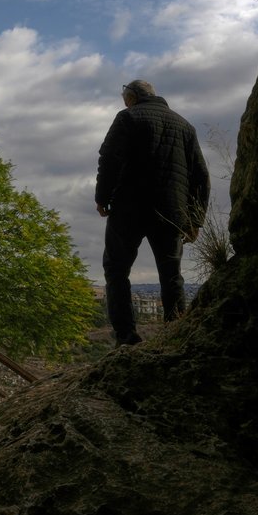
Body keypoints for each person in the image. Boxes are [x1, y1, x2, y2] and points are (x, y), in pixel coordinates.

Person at [95, 79, 210, 346]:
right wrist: (195, 220)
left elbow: (108, 158)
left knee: (116, 270)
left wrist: (102, 198)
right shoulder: (185, 126)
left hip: (128, 208)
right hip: (171, 211)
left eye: (125, 99)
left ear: (132, 98)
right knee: (171, 274)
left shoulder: (127, 118)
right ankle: (175, 334)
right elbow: (201, 175)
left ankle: (126, 337)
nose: (124, 104)